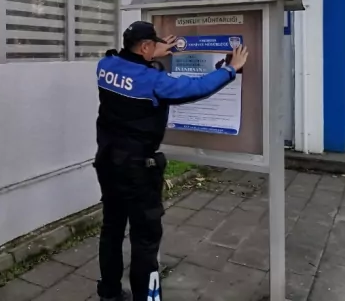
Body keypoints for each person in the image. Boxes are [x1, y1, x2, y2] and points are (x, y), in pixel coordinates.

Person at [93, 21, 249, 301]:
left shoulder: (106, 66)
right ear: (144, 47)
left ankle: (109, 293)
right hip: (138, 170)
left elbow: (131, 69)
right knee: (145, 240)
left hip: (107, 162)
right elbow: (194, 87)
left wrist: (155, 52)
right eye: (151, 44)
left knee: (112, 228)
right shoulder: (152, 81)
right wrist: (230, 69)